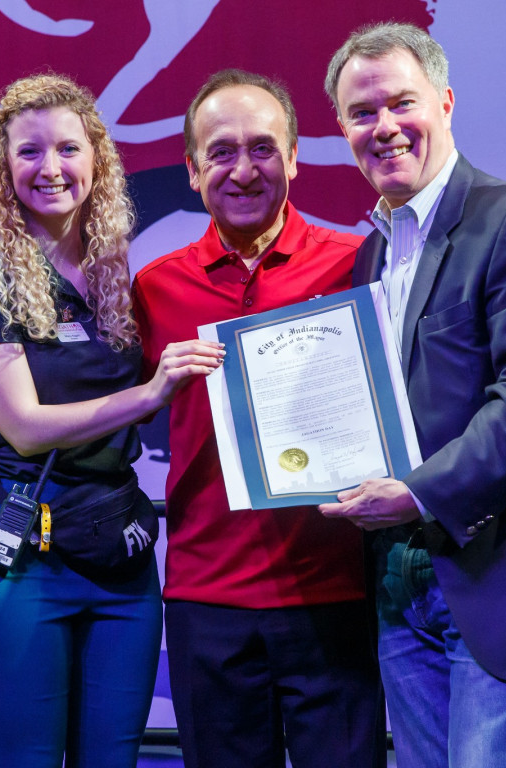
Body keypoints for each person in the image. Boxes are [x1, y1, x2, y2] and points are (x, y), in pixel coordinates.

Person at [0, 73, 223, 768]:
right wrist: (150, 394)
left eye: (68, 149)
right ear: (4, 168)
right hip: (24, 558)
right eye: (29, 152)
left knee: (115, 758)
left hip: (121, 552)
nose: (51, 169)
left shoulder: (112, 272)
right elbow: (24, 427)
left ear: (96, 158)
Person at [320, 22, 506, 768]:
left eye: (403, 102)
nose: (385, 127)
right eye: (363, 114)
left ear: (447, 102)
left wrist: (418, 494)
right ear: (342, 129)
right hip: (400, 585)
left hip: (501, 576)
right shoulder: (369, 256)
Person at [132, 69, 386, 768]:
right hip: (205, 599)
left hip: (331, 590)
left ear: (295, 157)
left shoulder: (358, 264)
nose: (243, 170)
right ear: (191, 170)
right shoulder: (154, 287)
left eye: (264, 149)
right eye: (220, 152)